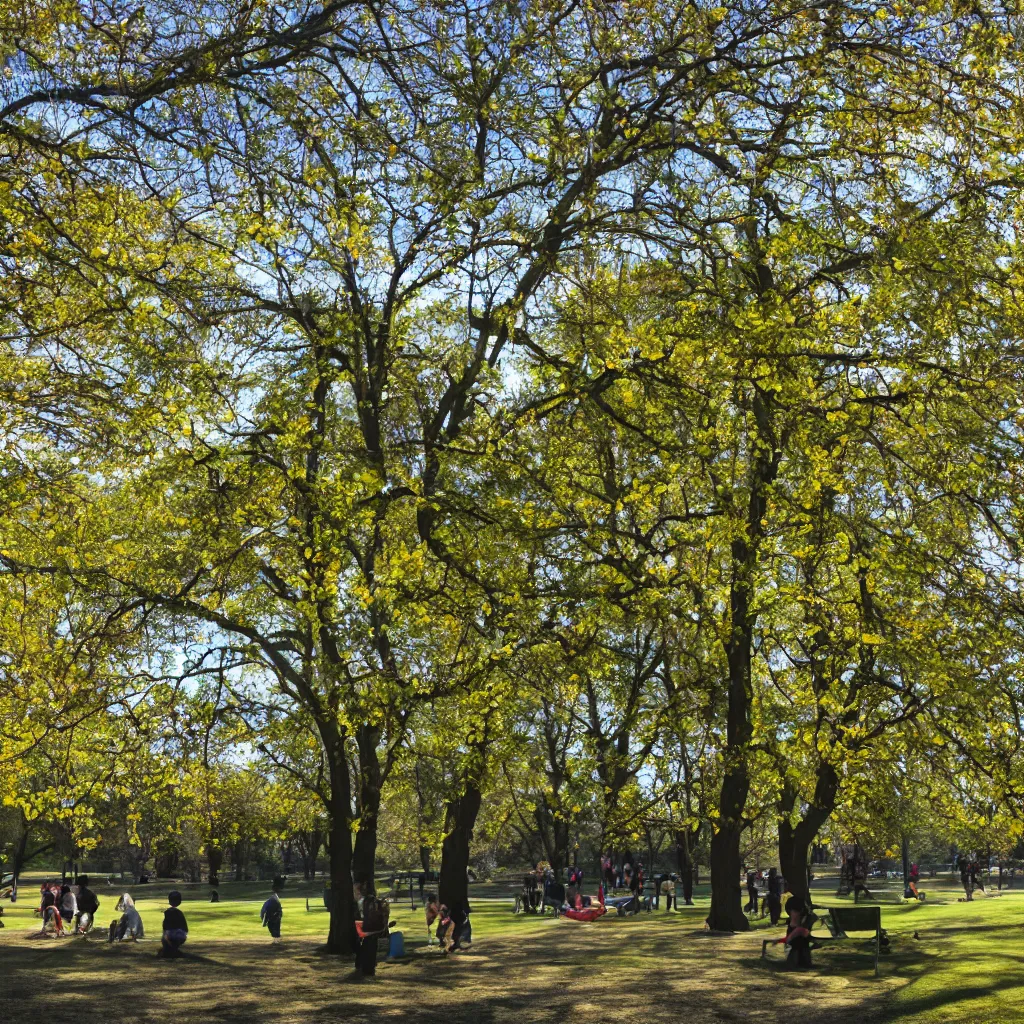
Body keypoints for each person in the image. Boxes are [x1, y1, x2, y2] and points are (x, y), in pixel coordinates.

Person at [160, 890, 188, 956]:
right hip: (181, 935)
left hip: (172, 935)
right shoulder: (180, 913)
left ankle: (171, 949)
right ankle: (173, 949)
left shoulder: (168, 912)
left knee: (166, 936)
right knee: (174, 935)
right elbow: (185, 927)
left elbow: (165, 926)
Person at [260, 877, 284, 943]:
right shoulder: (271, 900)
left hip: (274, 915)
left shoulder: (274, 900)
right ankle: (276, 939)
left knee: (275, 927)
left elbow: (278, 910)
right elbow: (264, 911)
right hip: (271, 915)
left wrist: (278, 915)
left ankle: (277, 939)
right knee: (272, 927)